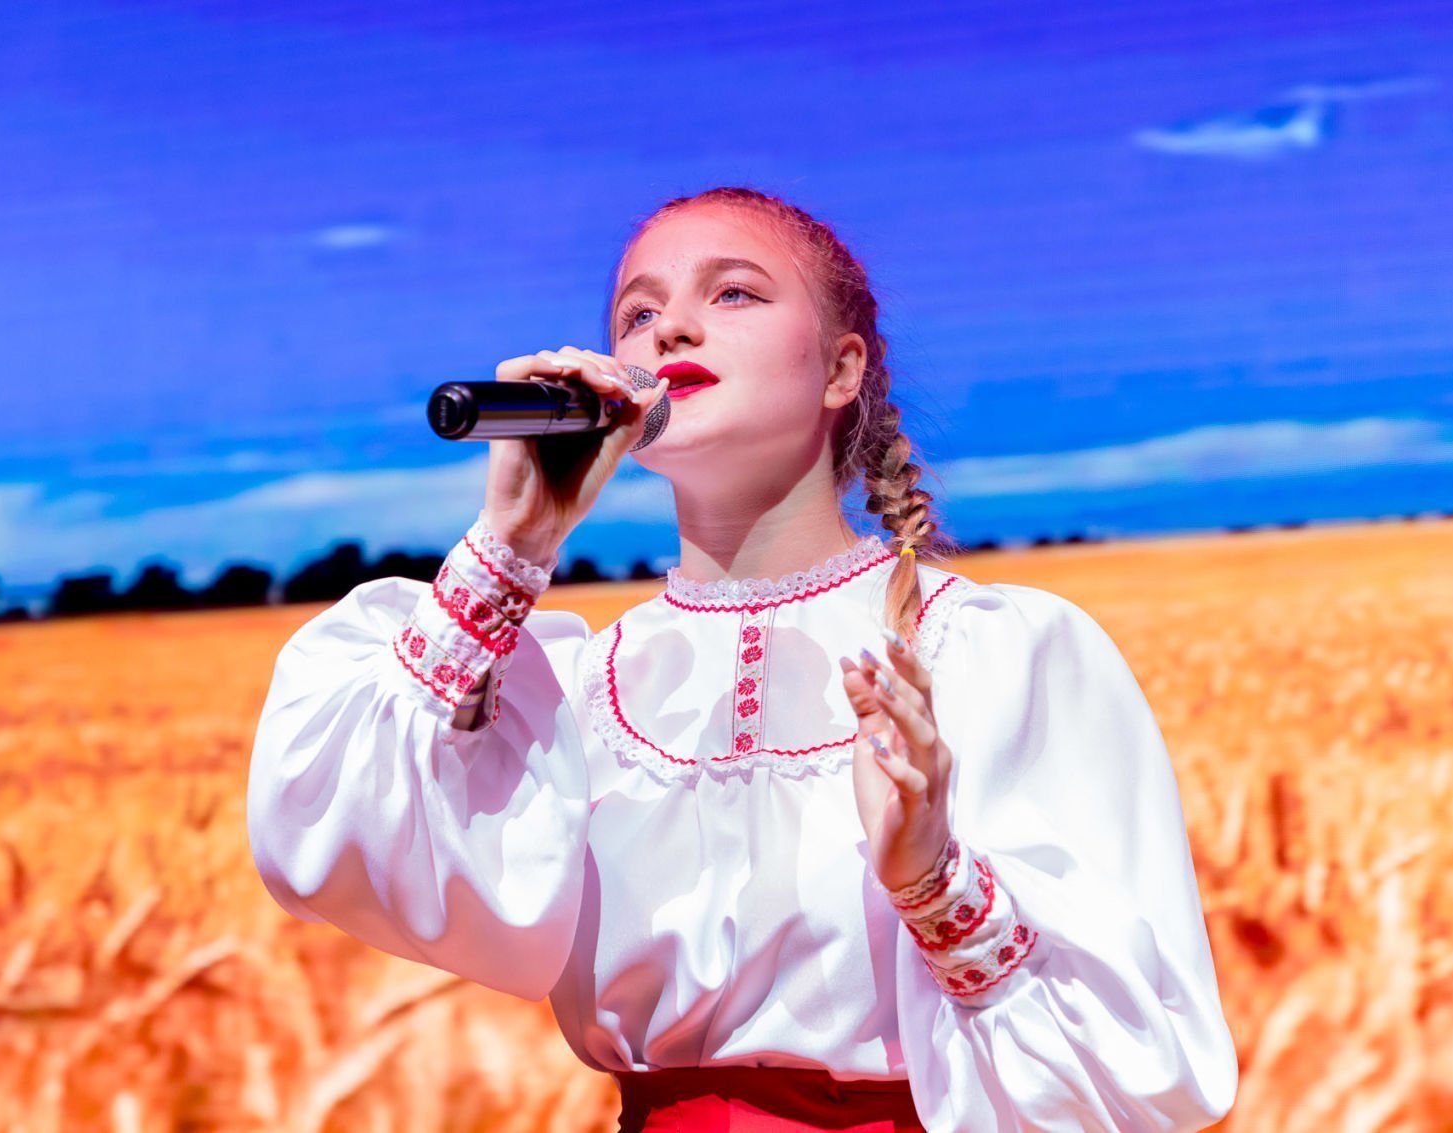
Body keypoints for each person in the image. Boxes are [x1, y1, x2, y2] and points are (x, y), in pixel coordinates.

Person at [246, 186, 1239, 1132]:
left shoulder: (1000, 652)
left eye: (732, 293)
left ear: (840, 370)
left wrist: (934, 880)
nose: (670, 330)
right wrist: (513, 541)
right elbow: (341, 842)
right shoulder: (571, 696)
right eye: (637, 314)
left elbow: (1135, 1060)